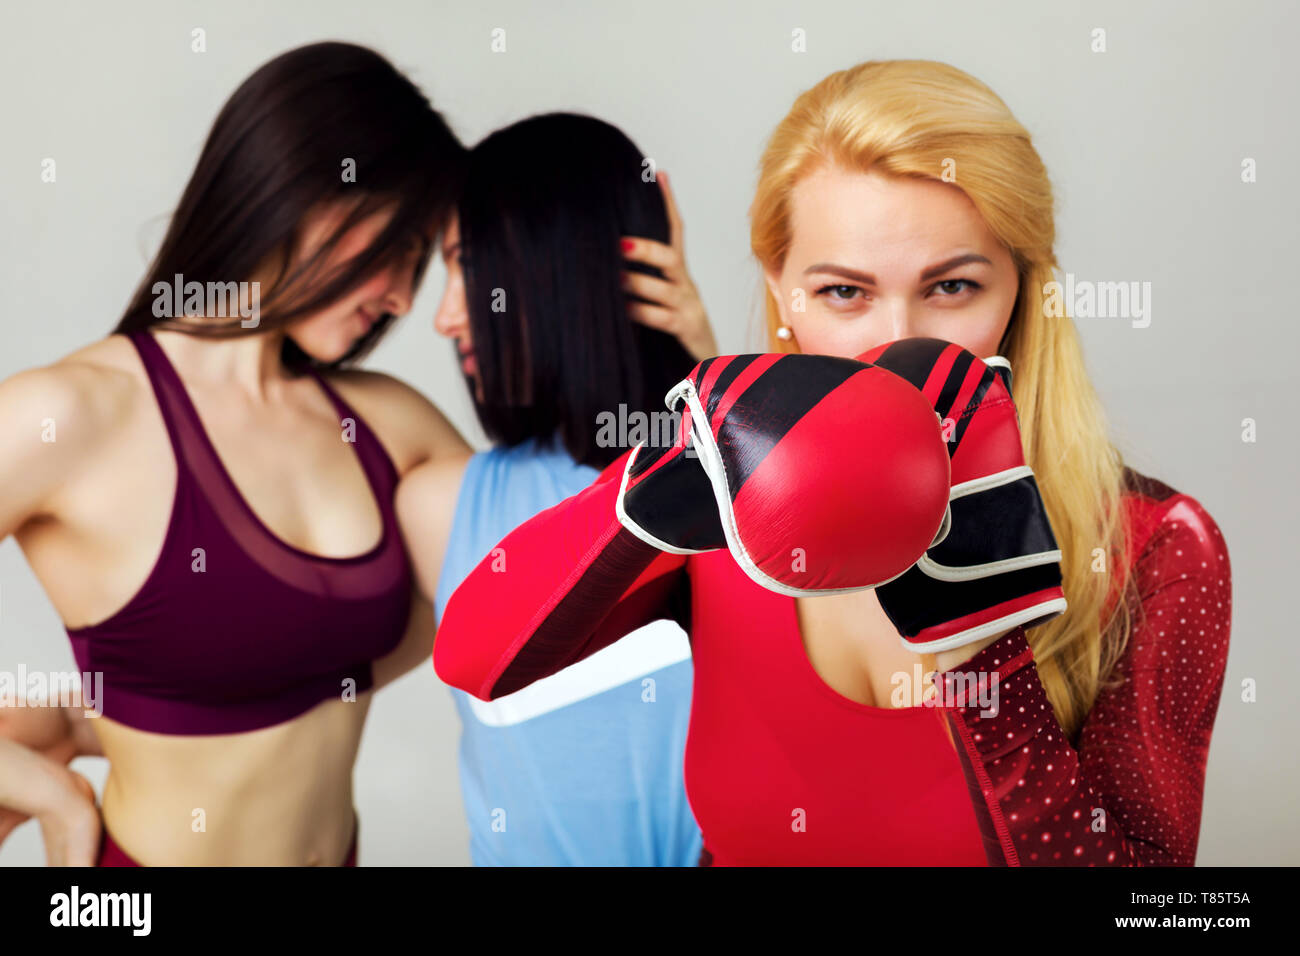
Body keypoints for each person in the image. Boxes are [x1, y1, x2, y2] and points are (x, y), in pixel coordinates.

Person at [432, 60, 1232, 866]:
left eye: (951, 286)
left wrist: (983, 662)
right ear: (782, 290)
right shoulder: (734, 498)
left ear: (1021, 289)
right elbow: (472, 661)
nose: (896, 341)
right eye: (845, 293)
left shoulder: (1154, 542)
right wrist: (638, 505)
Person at [0, 42, 469, 866]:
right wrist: (54, 798)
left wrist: (692, 361)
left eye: (419, 260)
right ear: (305, 191)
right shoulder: (71, 415)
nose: (403, 296)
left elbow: (557, 579)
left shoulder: (392, 425)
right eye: (395, 247)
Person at [397, 113, 711, 865]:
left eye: (467, 266)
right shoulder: (440, 506)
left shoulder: (728, 487)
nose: (444, 317)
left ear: (560, 265)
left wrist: (712, 369)